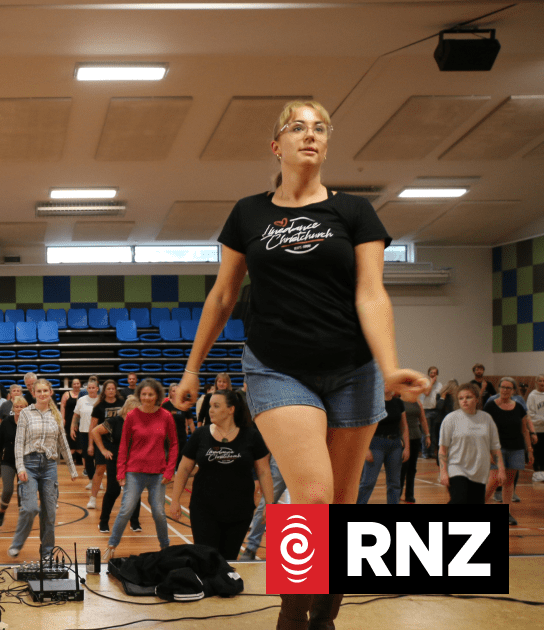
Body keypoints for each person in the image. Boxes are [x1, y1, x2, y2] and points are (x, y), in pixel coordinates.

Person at [172, 100, 428, 630]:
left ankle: (324, 618)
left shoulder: (355, 212)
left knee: (340, 506)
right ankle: (292, 620)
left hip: (355, 371)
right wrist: (193, 369)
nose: (309, 135)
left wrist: (391, 364)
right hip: (277, 368)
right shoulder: (249, 213)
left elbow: (372, 293)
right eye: (297, 127)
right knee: (310, 497)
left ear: (327, 144)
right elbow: (223, 296)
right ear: (277, 145)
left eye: (319, 128)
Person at [168, 389, 273, 561]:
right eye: (210, 406)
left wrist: (270, 504)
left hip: (239, 511)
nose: (211, 410)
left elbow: (263, 471)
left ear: (231, 409)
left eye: (216, 406)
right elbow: (184, 469)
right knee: (205, 559)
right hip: (204, 509)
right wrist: (175, 500)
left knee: (228, 560)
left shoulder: (251, 436)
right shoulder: (200, 435)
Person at [7, 379, 78, 558]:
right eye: (39, 391)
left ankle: (47, 552)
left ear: (51, 392)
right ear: (34, 393)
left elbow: (63, 443)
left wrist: (72, 468)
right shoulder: (25, 414)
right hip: (29, 465)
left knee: (49, 513)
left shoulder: (56, 415)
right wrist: (20, 467)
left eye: (46, 390)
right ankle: (17, 543)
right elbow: (18, 443)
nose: (43, 394)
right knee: (29, 508)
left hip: (49, 466)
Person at [106, 379, 176, 559]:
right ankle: (112, 545)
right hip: (134, 471)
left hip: (158, 473)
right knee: (126, 509)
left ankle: (166, 548)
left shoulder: (166, 416)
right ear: (139, 395)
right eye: (144, 394)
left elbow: (174, 444)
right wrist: (120, 471)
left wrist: (169, 471)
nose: (147, 397)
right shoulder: (131, 416)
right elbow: (123, 445)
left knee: (159, 512)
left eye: (150, 394)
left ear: (157, 396)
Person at [439, 383, 505, 504]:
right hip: (457, 468)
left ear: (477, 399)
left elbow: (495, 448)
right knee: (460, 500)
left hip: (480, 471)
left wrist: (501, 469)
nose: (464, 401)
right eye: (461, 398)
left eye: (468, 397)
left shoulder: (486, 419)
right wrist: (443, 472)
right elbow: (443, 449)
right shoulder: (450, 419)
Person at [484, 377, 533, 525]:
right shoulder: (491, 406)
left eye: (508, 388)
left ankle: (507, 512)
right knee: (494, 480)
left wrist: (529, 449)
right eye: (503, 387)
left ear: (513, 391)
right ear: (499, 388)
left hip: (516, 448)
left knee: (509, 481)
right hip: (497, 449)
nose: (505, 390)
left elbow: (524, 430)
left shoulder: (518, 407)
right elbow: (485, 430)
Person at [91, 394, 141, 535]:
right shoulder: (115, 421)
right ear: (126, 409)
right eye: (133, 409)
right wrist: (103, 450)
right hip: (116, 459)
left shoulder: (139, 422)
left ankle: (135, 521)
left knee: (135, 491)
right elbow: (95, 431)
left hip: (133, 461)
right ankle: (103, 522)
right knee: (113, 491)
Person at [357, 390, 409, 505]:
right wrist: (365, 449)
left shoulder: (398, 402)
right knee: (368, 482)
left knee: (394, 483)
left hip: (395, 445)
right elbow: (365, 426)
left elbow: (404, 426)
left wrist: (407, 447)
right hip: (376, 444)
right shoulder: (373, 402)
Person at [87, 380, 124, 510]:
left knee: (120, 471)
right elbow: (93, 427)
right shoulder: (99, 406)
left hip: (119, 442)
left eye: (113, 388)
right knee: (100, 470)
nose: (111, 391)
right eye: (108, 389)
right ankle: (93, 498)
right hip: (103, 442)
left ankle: (120, 499)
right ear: (105, 391)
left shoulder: (122, 403)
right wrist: (90, 445)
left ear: (116, 390)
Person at [0, 395, 27, 527]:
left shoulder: (30, 423)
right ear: (13, 408)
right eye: (17, 406)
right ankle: (1, 512)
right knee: (7, 490)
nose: (19, 409)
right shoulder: (6, 422)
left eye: (22, 406)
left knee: (22, 490)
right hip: (8, 461)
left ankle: (22, 518)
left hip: (24, 462)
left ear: (26, 408)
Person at [400, 393, 429, 503]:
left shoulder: (417, 402)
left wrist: (427, 435)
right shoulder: (400, 401)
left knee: (412, 468)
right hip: (402, 438)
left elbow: (423, 419)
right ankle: (398, 492)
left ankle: (409, 494)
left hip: (416, 437)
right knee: (403, 467)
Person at [70, 377, 99, 481]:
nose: (91, 389)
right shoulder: (82, 400)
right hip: (84, 432)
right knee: (88, 458)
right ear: (87, 389)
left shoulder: (100, 400)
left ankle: (98, 480)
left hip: (98, 433)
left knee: (98, 458)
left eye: (93, 387)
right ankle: (92, 480)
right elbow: (76, 415)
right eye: (89, 388)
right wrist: (72, 428)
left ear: (97, 388)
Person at [420, 366, 443, 457]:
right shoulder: (425, 383)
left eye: (435, 373)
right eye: (431, 373)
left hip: (435, 410)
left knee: (433, 433)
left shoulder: (440, 385)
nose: (433, 374)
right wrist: (431, 383)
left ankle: (431, 452)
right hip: (426, 410)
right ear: (428, 374)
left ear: (437, 374)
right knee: (426, 433)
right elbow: (426, 393)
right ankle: (425, 452)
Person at [527, 375, 544, 477]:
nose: (542, 383)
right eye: (540, 381)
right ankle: (538, 476)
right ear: (536, 382)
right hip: (537, 431)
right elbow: (530, 415)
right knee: (537, 455)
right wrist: (542, 420)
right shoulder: (532, 396)